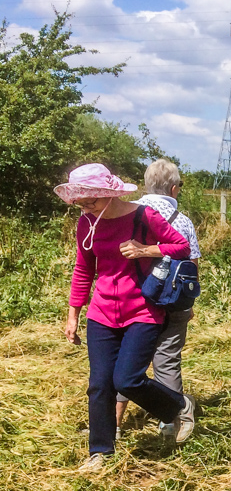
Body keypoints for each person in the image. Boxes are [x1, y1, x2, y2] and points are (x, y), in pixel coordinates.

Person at [57, 163, 193, 473]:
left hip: (142, 311)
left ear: (109, 194)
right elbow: (83, 270)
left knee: (127, 380)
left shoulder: (143, 216)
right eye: (81, 202)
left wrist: (146, 250)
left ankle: (178, 406)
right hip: (102, 312)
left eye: (91, 200)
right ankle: (100, 452)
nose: (85, 207)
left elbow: (182, 247)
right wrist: (73, 314)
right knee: (100, 384)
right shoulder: (86, 223)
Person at [114, 159, 202, 444]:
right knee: (167, 361)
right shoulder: (183, 221)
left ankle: (113, 423)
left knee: (127, 361)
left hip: (133, 299)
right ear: (174, 188)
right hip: (172, 301)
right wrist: (188, 306)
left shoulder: (127, 213)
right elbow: (192, 266)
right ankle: (171, 425)